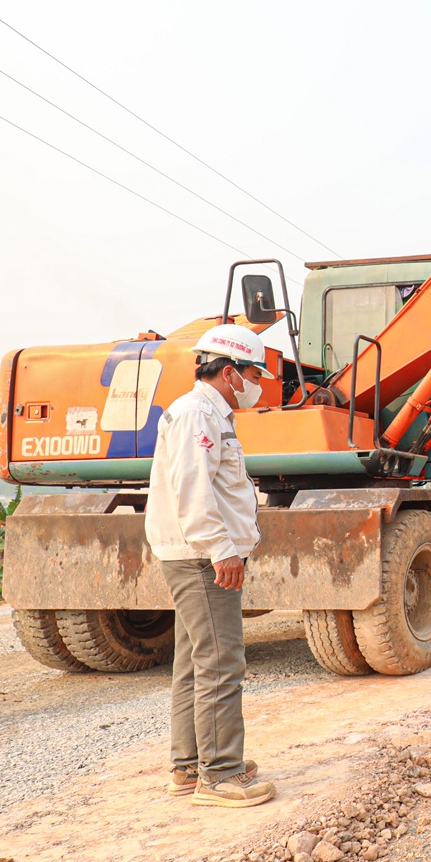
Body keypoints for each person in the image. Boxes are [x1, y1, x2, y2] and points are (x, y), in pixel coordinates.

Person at [144, 323, 277, 807]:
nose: (257, 381)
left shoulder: (207, 414)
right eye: (252, 372)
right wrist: (221, 549)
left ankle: (189, 765)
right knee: (222, 661)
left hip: (196, 553)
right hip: (202, 557)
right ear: (229, 373)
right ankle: (219, 775)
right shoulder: (198, 414)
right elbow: (193, 490)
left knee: (195, 662)